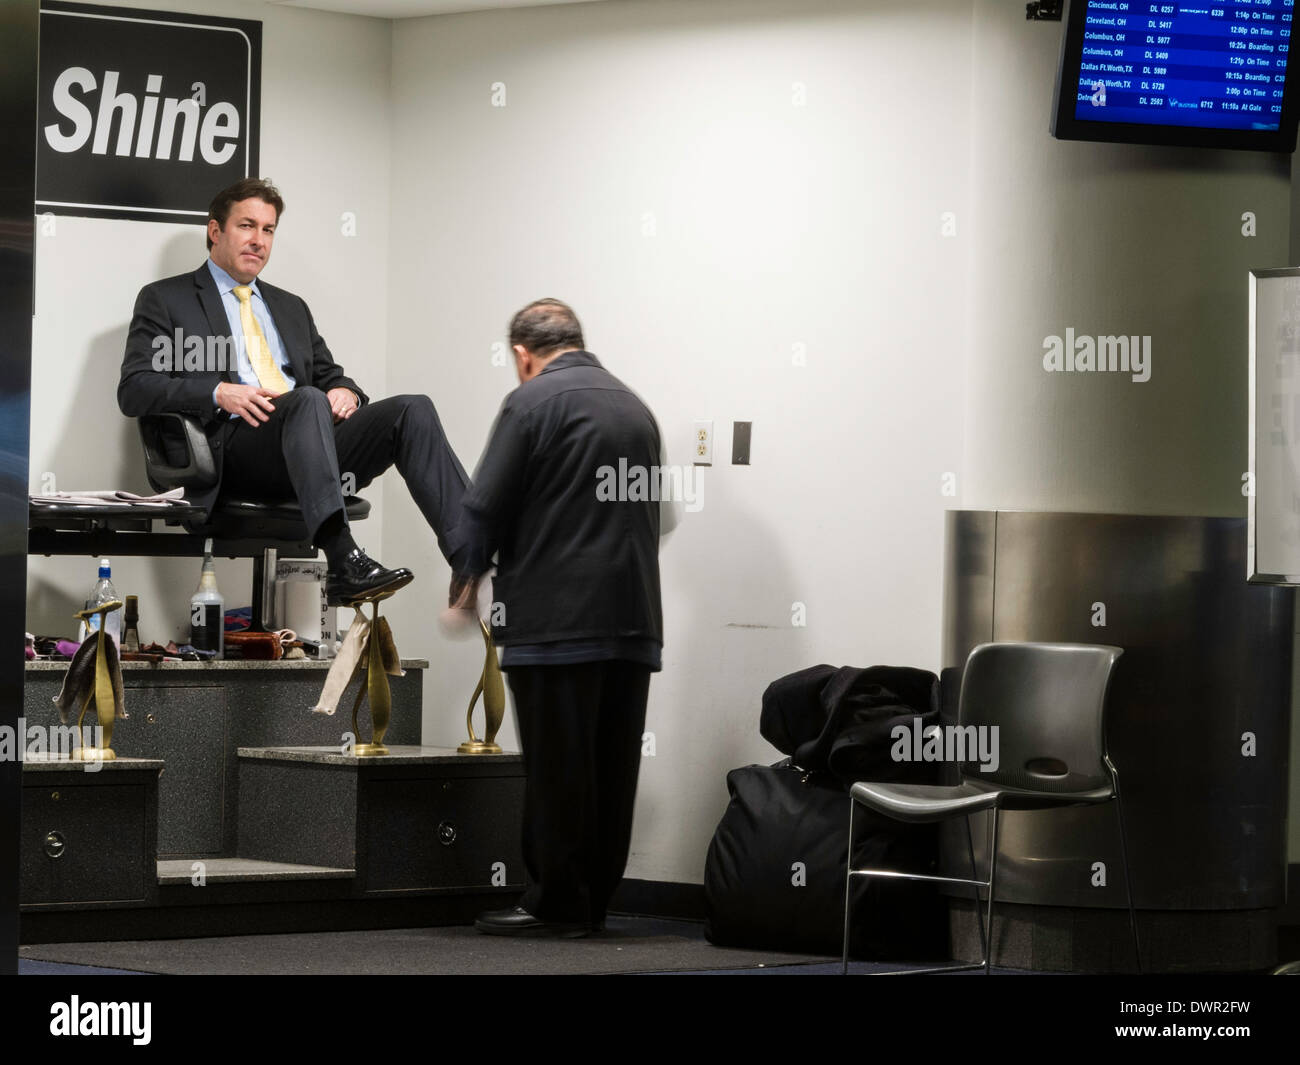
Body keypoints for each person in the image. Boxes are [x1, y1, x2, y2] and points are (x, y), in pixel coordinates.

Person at [118, 178, 470, 604]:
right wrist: (218, 392)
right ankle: (344, 561)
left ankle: (472, 559)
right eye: (247, 226)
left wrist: (346, 393)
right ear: (215, 231)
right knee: (306, 400)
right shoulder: (166, 298)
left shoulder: (290, 306)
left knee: (412, 409)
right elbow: (135, 388)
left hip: (306, 447)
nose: (259, 240)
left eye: (268, 230)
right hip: (234, 451)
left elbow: (331, 375)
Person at [452, 299, 664, 938]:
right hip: (632, 619)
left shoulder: (531, 404)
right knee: (611, 768)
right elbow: (656, 517)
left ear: (523, 355)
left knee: (556, 768)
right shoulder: (636, 408)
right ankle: (593, 903)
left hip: (555, 621)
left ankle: (552, 903)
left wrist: (466, 579)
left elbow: (484, 507)